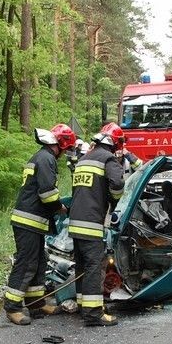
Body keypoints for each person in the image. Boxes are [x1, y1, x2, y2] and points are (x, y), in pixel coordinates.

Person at [3, 123, 77, 325]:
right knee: (26, 262)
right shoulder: (47, 159)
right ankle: (12, 307)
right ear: (61, 145)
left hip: (32, 221)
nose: (66, 153)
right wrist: (61, 207)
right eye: (66, 148)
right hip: (29, 220)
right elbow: (47, 194)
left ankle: (36, 303)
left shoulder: (41, 156)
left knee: (38, 262)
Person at [68, 122, 125, 326]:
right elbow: (118, 184)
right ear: (115, 143)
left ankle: (84, 306)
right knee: (94, 267)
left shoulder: (84, 159)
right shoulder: (108, 158)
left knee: (82, 265)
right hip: (91, 223)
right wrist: (115, 200)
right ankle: (93, 314)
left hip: (75, 222)